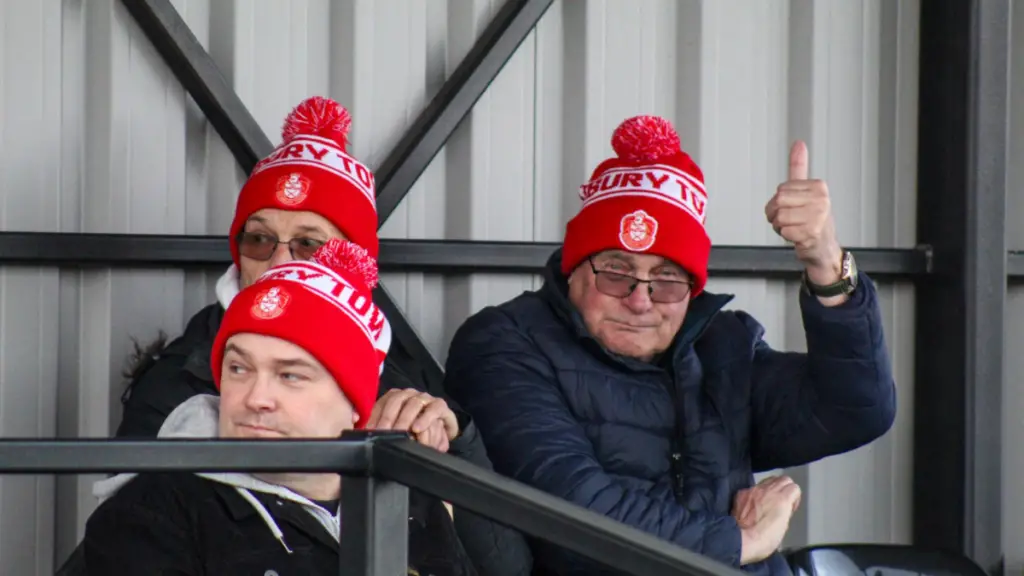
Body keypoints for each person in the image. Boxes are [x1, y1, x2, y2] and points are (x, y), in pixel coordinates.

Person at [443, 115, 897, 575]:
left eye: (667, 279)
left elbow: (857, 410)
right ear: (575, 267)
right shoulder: (504, 344)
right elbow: (573, 514)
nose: (640, 301)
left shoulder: (721, 347)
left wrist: (825, 263)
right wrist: (743, 542)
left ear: (693, 291)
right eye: (617, 271)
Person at [114, 96, 532, 575]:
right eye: (258, 239)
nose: (279, 263)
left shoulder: (396, 367)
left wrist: (457, 439)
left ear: (352, 261)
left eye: (309, 244)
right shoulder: (175, 383)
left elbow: (505, 566)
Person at [82, 240, 476, 575]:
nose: (255, 397)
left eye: (290, 376)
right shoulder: (152, 514)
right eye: (238, 368)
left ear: (355, 401)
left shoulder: (411, 499)